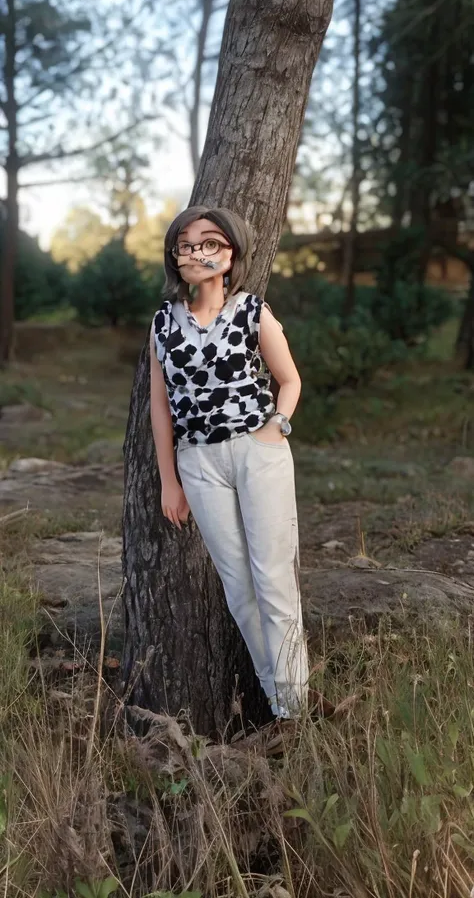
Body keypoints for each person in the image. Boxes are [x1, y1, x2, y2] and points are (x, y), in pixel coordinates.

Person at [149, 205, 334, 733]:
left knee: (274, 578)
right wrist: (170, 478)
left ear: (231, 254)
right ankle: (288, 703)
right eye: (185, 244)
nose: (196, 252)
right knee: (239, 587)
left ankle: (292, 711)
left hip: (259, 453)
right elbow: (160, 407)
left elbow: (290, 379)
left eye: (210, 243)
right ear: (175, 257)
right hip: (198, 463)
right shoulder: (164, 322)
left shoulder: (253, 311)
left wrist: (277, 425)